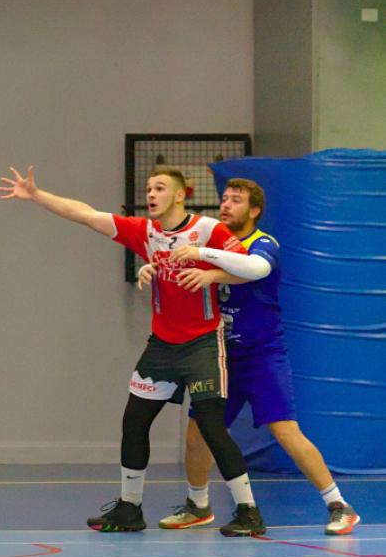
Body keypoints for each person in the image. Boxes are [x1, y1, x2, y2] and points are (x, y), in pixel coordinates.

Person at [0, 165, 268, 536]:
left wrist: (210, 271)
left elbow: (251, 269)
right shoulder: (145, 232)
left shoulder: (207, 230)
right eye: (149, 188)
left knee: (211, 427)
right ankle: (130, 507)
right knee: (134, 422)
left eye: (160, 188)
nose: (151, 194)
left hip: (203, 344)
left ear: (180, 195)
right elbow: (87, 215)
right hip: (162, 346)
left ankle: (248, 512)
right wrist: (37, 195)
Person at [143, 178, 360, 535]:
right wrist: (149, 268)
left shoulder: (262, 244)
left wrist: (207, 263)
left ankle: (339, 505)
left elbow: (255, 268)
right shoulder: (212, 242)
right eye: (224, 199)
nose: (226, 205)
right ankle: (198, 505)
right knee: (197, 433)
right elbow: (173, 266)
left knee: (285, 430)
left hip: (262, 355)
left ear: (255, 210)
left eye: (236, 200)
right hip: (220, 356)